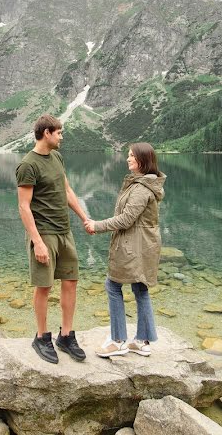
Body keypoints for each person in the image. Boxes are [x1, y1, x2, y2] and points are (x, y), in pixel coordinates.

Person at [16, 114, 89, 364]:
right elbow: (24, 207)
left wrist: (83, 217)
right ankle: (41, 337)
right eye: (59, 132)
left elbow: (67, 190)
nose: (62, 136)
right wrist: (37, 241)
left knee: (70, 281)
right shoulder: (28, 164)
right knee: (44, 286)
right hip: (44, 233)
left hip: (64, 231)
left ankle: (66, 336)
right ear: (46, 133)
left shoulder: (57, 157)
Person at [84, 143, 165, 358]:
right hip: (143, 245)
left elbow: (127, 219)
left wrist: (96, 225)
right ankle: (142, 341)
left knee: (112, 285)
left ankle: (118, 341)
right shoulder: (143, 184)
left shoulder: (141, 189)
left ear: (142, 160)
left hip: (133, 247)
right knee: (140, 288)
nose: (127, 159)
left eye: (131, 156)